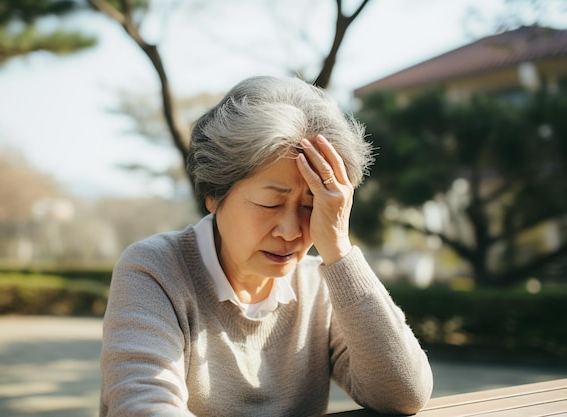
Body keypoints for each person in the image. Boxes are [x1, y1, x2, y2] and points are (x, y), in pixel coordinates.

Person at [99, 75, 433, 417]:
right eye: (271, 204)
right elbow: (144, 407)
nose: (291, 232)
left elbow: (404, 394)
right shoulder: (153, 270)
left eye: (311, 206)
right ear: (213, 194)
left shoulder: (320, 286)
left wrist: (338, 248)